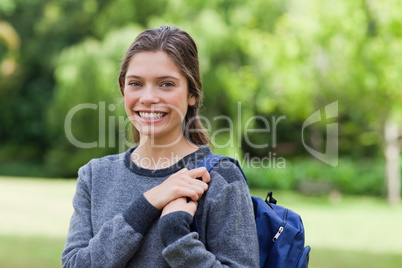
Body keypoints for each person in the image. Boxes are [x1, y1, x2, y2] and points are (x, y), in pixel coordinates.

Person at [62, 25, 259, 267]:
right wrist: (147, 204)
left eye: (166, 84)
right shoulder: (94, 176)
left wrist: (176, 235)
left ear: (192, 93)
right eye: (136, 83)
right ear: (123, 88)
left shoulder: (220, 178)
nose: (148, 97)